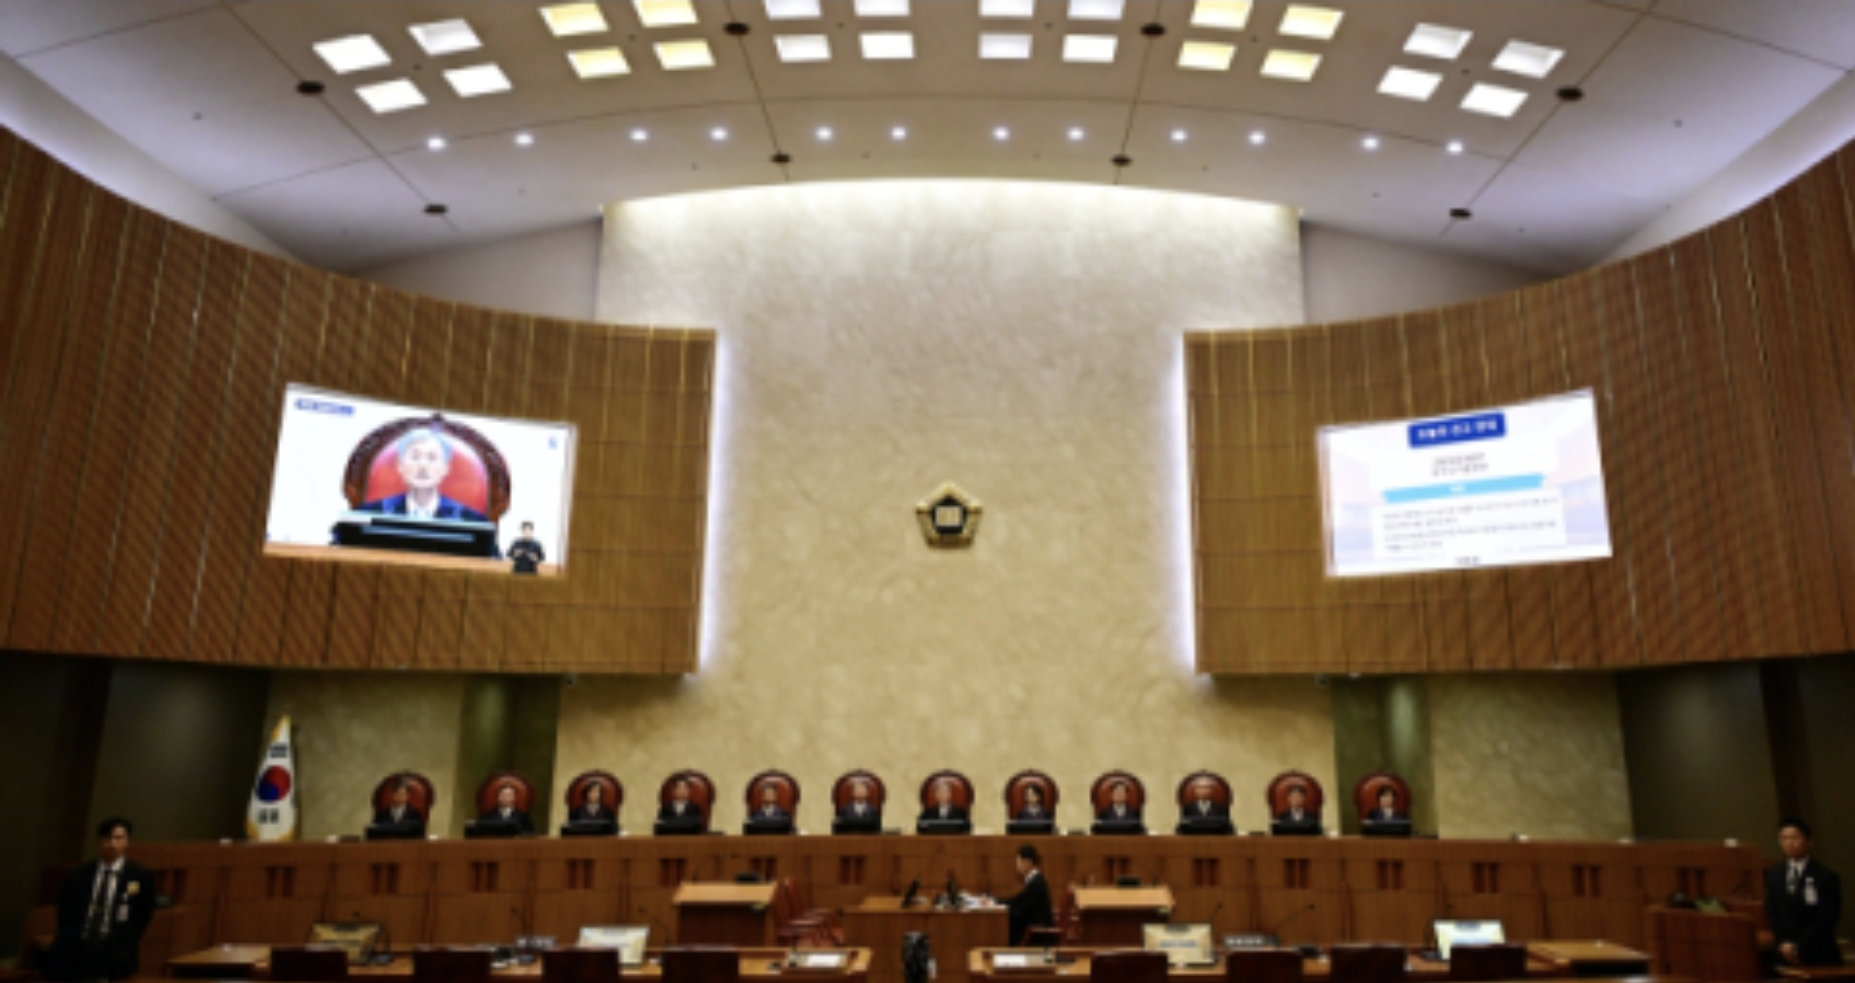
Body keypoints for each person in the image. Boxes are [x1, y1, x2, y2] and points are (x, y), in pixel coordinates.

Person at [41, 818, 156, 982]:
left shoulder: (140, 876)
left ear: (127, 841)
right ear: (99, 841)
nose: (112, 844)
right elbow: (64, 911)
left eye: (118, 838)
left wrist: (126, 940)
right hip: (77, 947)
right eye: (108, 838)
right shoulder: (78, 875)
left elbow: (143, 914)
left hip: (114, 950)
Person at [356, 429, 492, 522]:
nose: (423, 465)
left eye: (432, 458)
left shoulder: (470, 521)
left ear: (445, 469)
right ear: (400, 466)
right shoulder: (370, 514)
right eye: (415, 457)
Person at [1765, 818, 1843, 967]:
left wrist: (1798, 947)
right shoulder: (1774, 874)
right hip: (1784, 951)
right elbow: (1772, 911)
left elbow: (1826, 918)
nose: (1789, 843)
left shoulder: (1825, 876)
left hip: (1818, 952)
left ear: (1809, 841)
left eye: (1795, 837)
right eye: (1784, 838)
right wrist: (1784, 944)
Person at [989, 845, 1054, 947]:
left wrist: (997, 903)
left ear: (1028, 862)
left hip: (1038, 934)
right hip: (1034, 927)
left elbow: (1021, 907)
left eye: (1019, 861)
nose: (1017, 865)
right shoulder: (1035, 880)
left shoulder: (1036, 883)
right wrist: (996, 901)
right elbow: (1018, 901)